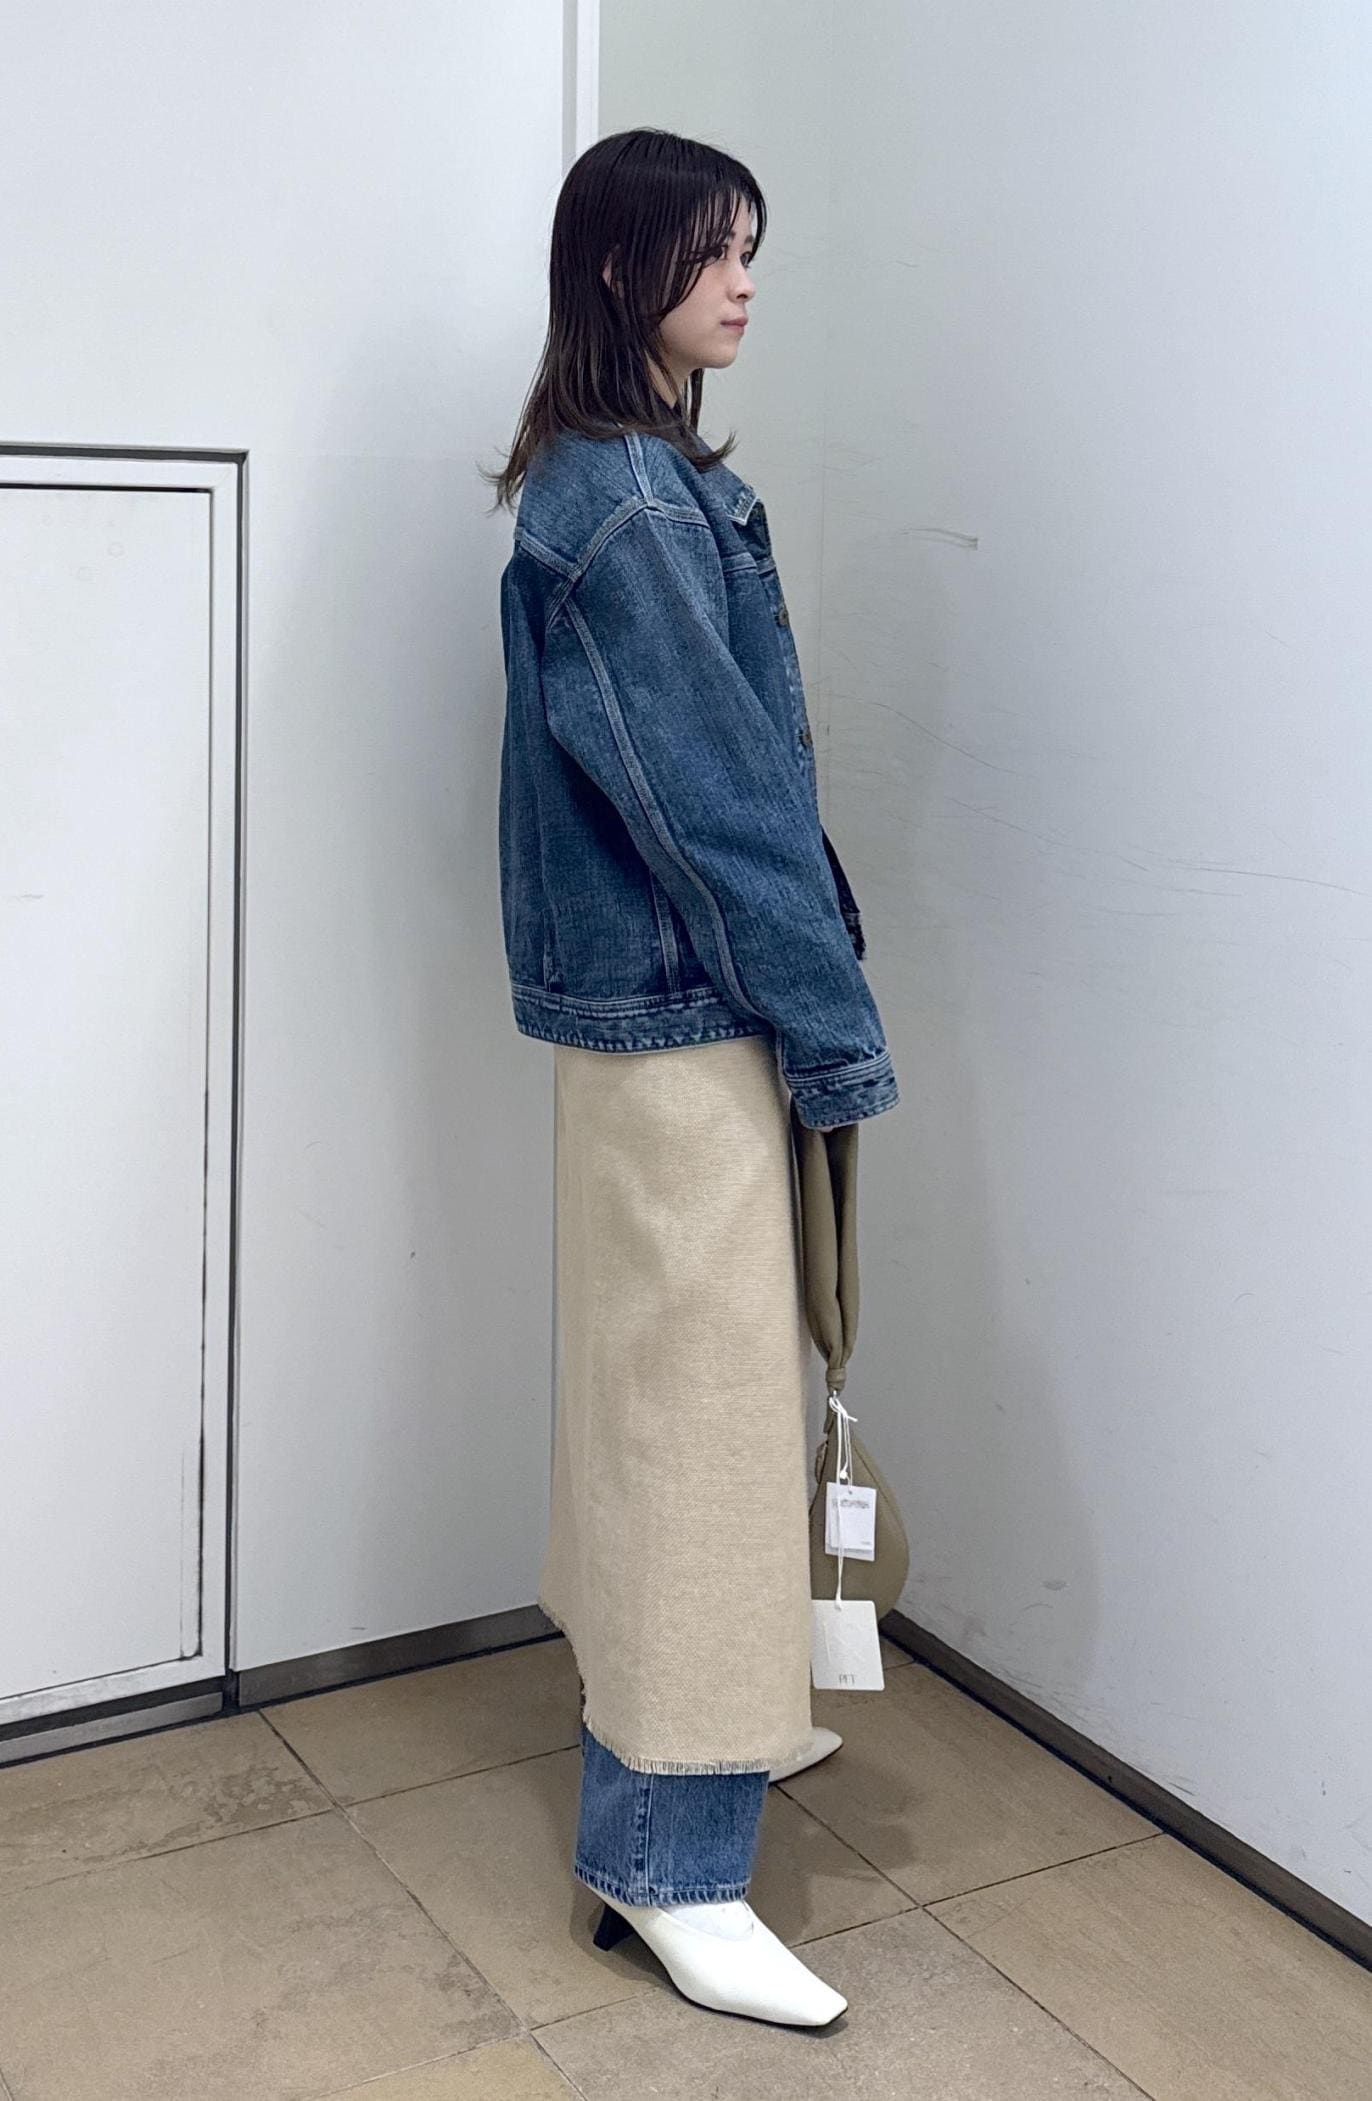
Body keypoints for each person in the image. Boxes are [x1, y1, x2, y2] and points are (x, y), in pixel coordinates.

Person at [483, 128, 899, 2027]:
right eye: (713, 251)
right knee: (701, 1438)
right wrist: (831, 1025)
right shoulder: (634, 509)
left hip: (653, 1020)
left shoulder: (615, 483)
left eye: (753, 248)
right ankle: (668, 1862)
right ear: (617, 270)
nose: (745, 282)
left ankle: (662, 1789)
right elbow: (718, 811)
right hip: (691, 1021)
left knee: (660, 1418)